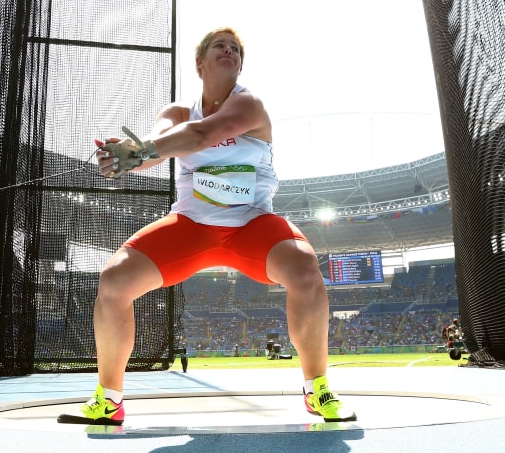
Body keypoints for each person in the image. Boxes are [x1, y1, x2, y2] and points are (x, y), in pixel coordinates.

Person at [71, 27, 356, 424]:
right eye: (220, 46)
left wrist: (140, 153)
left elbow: (202, 134)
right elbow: (160, 141)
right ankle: (109, 399)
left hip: (251, 225)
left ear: (240, 64)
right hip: (192, 226)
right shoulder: (177, 111)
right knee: (114, 280)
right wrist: (126, 157)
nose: (229, 50)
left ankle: (317, 389)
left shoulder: (249, 105)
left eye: (236, 48)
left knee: (305, 269)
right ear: (200, 62)